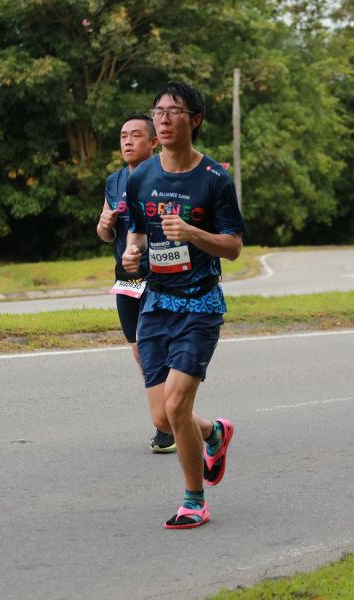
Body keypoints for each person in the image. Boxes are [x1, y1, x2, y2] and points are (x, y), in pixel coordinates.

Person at [122, 82, 245, 529]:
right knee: (164, 416)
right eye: (158, 112)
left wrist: (193, 233)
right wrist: (132, 253)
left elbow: (233, 246)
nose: (164, 119)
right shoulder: (141, 177)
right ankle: (214, 431)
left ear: (195, 120)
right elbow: (138, 233)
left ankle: (195, 500)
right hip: (156, 303)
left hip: (200, 303)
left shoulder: (214, 179)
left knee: (176, 407)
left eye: (174, 111)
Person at [97, 113, 176, 454]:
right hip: (126, 280)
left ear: (153, 142)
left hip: (159, 279)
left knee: (155, 348)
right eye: (123, 136)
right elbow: (104, 235)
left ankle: (168, 424)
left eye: (135, 135)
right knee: (139, 351)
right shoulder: (114, 181)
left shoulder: (165, 177)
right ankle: (168, 415)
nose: (127, 141)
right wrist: (105, 223)